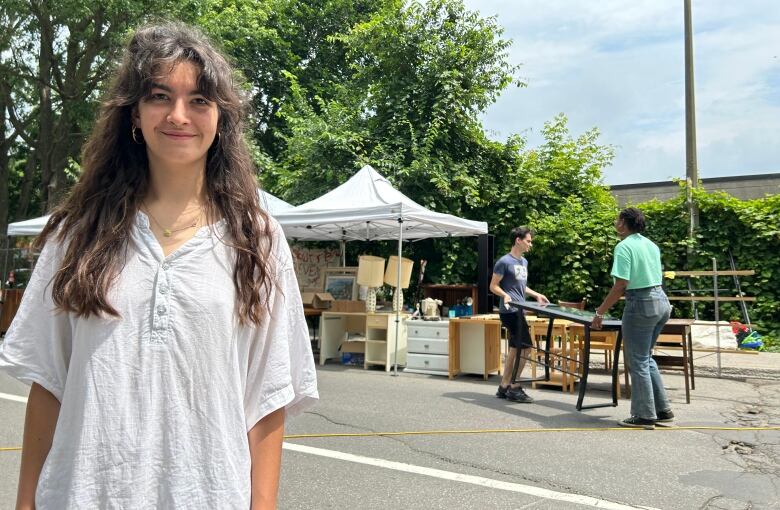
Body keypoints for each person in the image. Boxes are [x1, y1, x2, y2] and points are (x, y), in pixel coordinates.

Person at [0, 23, 318, 509]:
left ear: (220, 119)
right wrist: (24, 504)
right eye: (159, 95)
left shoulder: (257, 240)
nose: (178, 115)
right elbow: (49, 385)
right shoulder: (77, 235)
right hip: (83, 494)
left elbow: (267, 398)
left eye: (199, 100)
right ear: (133, 113)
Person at [591, 207, 673, 430]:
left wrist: (600, 312)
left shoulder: (624, 246)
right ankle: (663, 410)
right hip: (661, 301)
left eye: (617, 219)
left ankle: (644, 415)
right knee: (645, 358)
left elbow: (620, 285)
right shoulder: (651, 245)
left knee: (637, 361)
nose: (615, 223)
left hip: (641, 303)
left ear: (623, 223)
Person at [490, 226, 549, 403]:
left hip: (519, 310)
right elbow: (493, 286)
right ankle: (514, 387)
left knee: (516, 348)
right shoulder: (504, 261)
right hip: (509, 311)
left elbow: (521, 286)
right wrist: (504, 294)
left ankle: (504, 386)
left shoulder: (524, 262)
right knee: (526, 347)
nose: (531, 245)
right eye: (528, 241)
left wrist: (536, 294)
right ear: (518, 240)